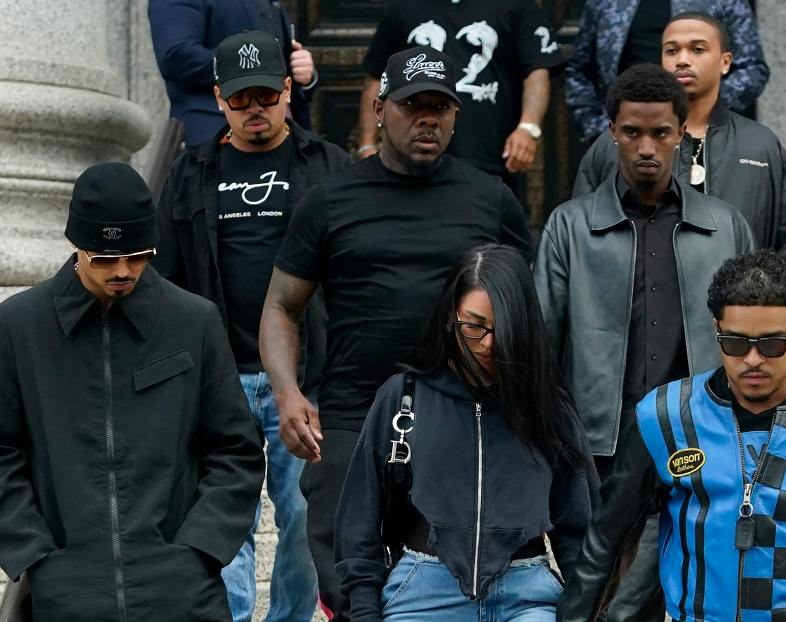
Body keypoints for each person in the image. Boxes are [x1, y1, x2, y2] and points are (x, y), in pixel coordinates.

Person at [260, 47, 534, 621]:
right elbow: (282, 307)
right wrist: (286, 391)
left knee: (448, 575)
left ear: (457, 116)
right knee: (341, 573)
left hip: (461, 413)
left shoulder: (491, 199)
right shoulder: (332, 199)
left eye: (441, 107)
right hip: (352, 413)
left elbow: (524, 310)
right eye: (413, 106)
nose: (427, 119)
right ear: (381, 109)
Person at [0, 163, 265, 621]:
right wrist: (36, 556)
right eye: (104, 258)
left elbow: (235, 450)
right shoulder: (19, 325)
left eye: (138, 254)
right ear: (75, 247)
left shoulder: (193, 320)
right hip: (65, 591)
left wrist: (201, 548)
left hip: (183, 588)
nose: (123, 271)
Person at [557, 249, 786, 622]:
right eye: (736, 343)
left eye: (772, 344)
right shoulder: (665, 418)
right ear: (716, 329)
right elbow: (606, 539)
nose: (753, 359)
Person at [534, 63, 754, 622]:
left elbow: (753, 338)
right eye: (632, 132)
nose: (646, 147)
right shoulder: (570, 226)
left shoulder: (727, 227)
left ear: (682, 132)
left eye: (660, 132)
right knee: (601, 589)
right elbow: (541, 343)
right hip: (600, 447)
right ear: (611, 131)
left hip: (701, 442)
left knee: (696, 588)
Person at [152, 30, 351, 622]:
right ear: (218, 99)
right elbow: (162, 278)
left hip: (306, 379)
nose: (254, 109)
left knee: (303, 520)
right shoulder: (190, 173)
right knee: (225, 519)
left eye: (266, 95)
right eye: (240, 99)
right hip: (219, 378)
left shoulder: (328, 167)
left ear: (288, 89)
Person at [335, 244, 600, 622]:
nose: (489, 344)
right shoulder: (403, 398)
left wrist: (585, 609)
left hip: (529, 595)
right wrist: (363, 610)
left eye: (503, 329)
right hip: (422, 590)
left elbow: (581, 531)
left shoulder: (549, 408)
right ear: (449, 317)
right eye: (474, 326)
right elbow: (359, 517)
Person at [573, 12, 786, 304]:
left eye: (697, 49)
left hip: (737, 331)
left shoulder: (761, 147)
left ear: (725, 62)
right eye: (672, 50)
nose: (682, 60)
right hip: (637, 324)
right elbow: (579, 245)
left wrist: (774, 326)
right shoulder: (612, 144)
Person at [355, 0, 566, 194]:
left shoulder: (516, 4)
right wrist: (367, 144)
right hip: (411, 163)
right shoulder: (404, 6)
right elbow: (378, 75)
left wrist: (528, 128)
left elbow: (537, 68)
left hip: (490, 158)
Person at [566, 0, 768, 141]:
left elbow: (752, 69)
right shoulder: (605, 2)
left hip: (705, 140)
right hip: (626, 139)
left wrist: (701, 114)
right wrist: (596, 128)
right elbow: (579, 69)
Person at [149, 0, 318, 145]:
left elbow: (279, 58)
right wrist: (256, 62)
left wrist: (303, 73)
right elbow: (176, 57)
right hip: (218, 141)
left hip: (286, 143)